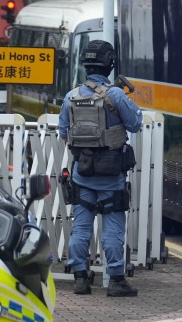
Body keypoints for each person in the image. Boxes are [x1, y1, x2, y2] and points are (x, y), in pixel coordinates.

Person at [58, 40, 142, 297]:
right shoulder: (115, 95)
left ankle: (81, 279)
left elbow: (64, 132)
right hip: (111, 174)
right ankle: (116, 280)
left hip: (82, 173)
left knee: (81, 227)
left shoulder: (71, 96)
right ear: (110, 64)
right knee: (113, 227)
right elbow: (136, 123)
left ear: (85, 64)